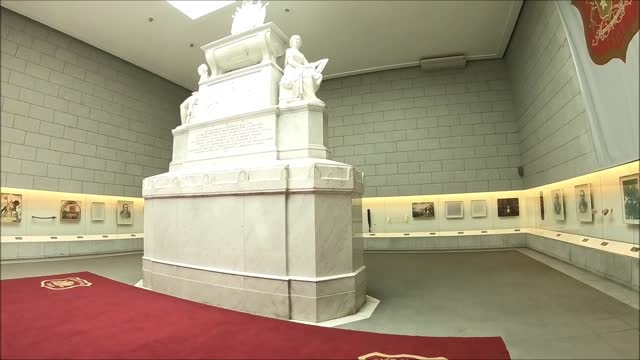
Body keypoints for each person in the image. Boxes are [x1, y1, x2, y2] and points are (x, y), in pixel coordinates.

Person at [279, 35, 328, 105]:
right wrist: (302, 67)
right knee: (307, 73)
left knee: (317, 75)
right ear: (292, 41)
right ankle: (311, 97)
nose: (297, 41)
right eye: (295, 39)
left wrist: (317, 63)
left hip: (300, 69)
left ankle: (310, 96)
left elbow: (307, 64)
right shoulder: (289, 50)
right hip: (291, 71)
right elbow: (291, 62)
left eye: (299, 39)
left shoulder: (301, 55)